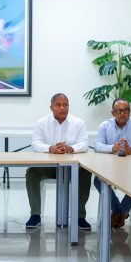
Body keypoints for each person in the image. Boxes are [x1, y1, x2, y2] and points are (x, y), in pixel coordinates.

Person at [25, 93, 91, 231]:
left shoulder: (79, 123)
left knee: (85, 172)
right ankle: (35, 215)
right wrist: (51, 148)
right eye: (58, 105)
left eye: (65, 105)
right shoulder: (41, 123)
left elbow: (84, 144)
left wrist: (70, 148)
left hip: (72, 167)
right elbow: (35, 144)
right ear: (51, 107)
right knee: (31, 172)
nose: (62, 108)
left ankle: (80, 216)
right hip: (48, 167)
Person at [94, 99, 131, 229]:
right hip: (109, 168)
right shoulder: (105, 125)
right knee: (98, 181)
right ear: (113, 112)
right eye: (119, 111)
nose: (123, 113)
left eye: (126, 110)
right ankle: (120, 211)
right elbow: (97, 145)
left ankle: (120, 211)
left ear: (130, 112)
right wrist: (112, 148)